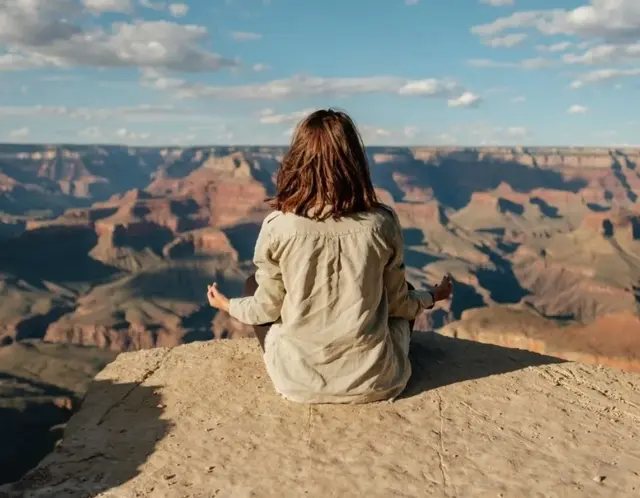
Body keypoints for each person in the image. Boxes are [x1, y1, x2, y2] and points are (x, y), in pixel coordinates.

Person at [207, 108, 452, 404]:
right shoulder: (381, 222)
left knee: (252, 286)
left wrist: (227, 305)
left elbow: (265, 310)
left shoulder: (278, 225)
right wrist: (432, 296)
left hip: (297, 384)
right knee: (408, 290)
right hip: (377, 382)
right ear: (355, 162)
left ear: (298, 160)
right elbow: (400, 303)